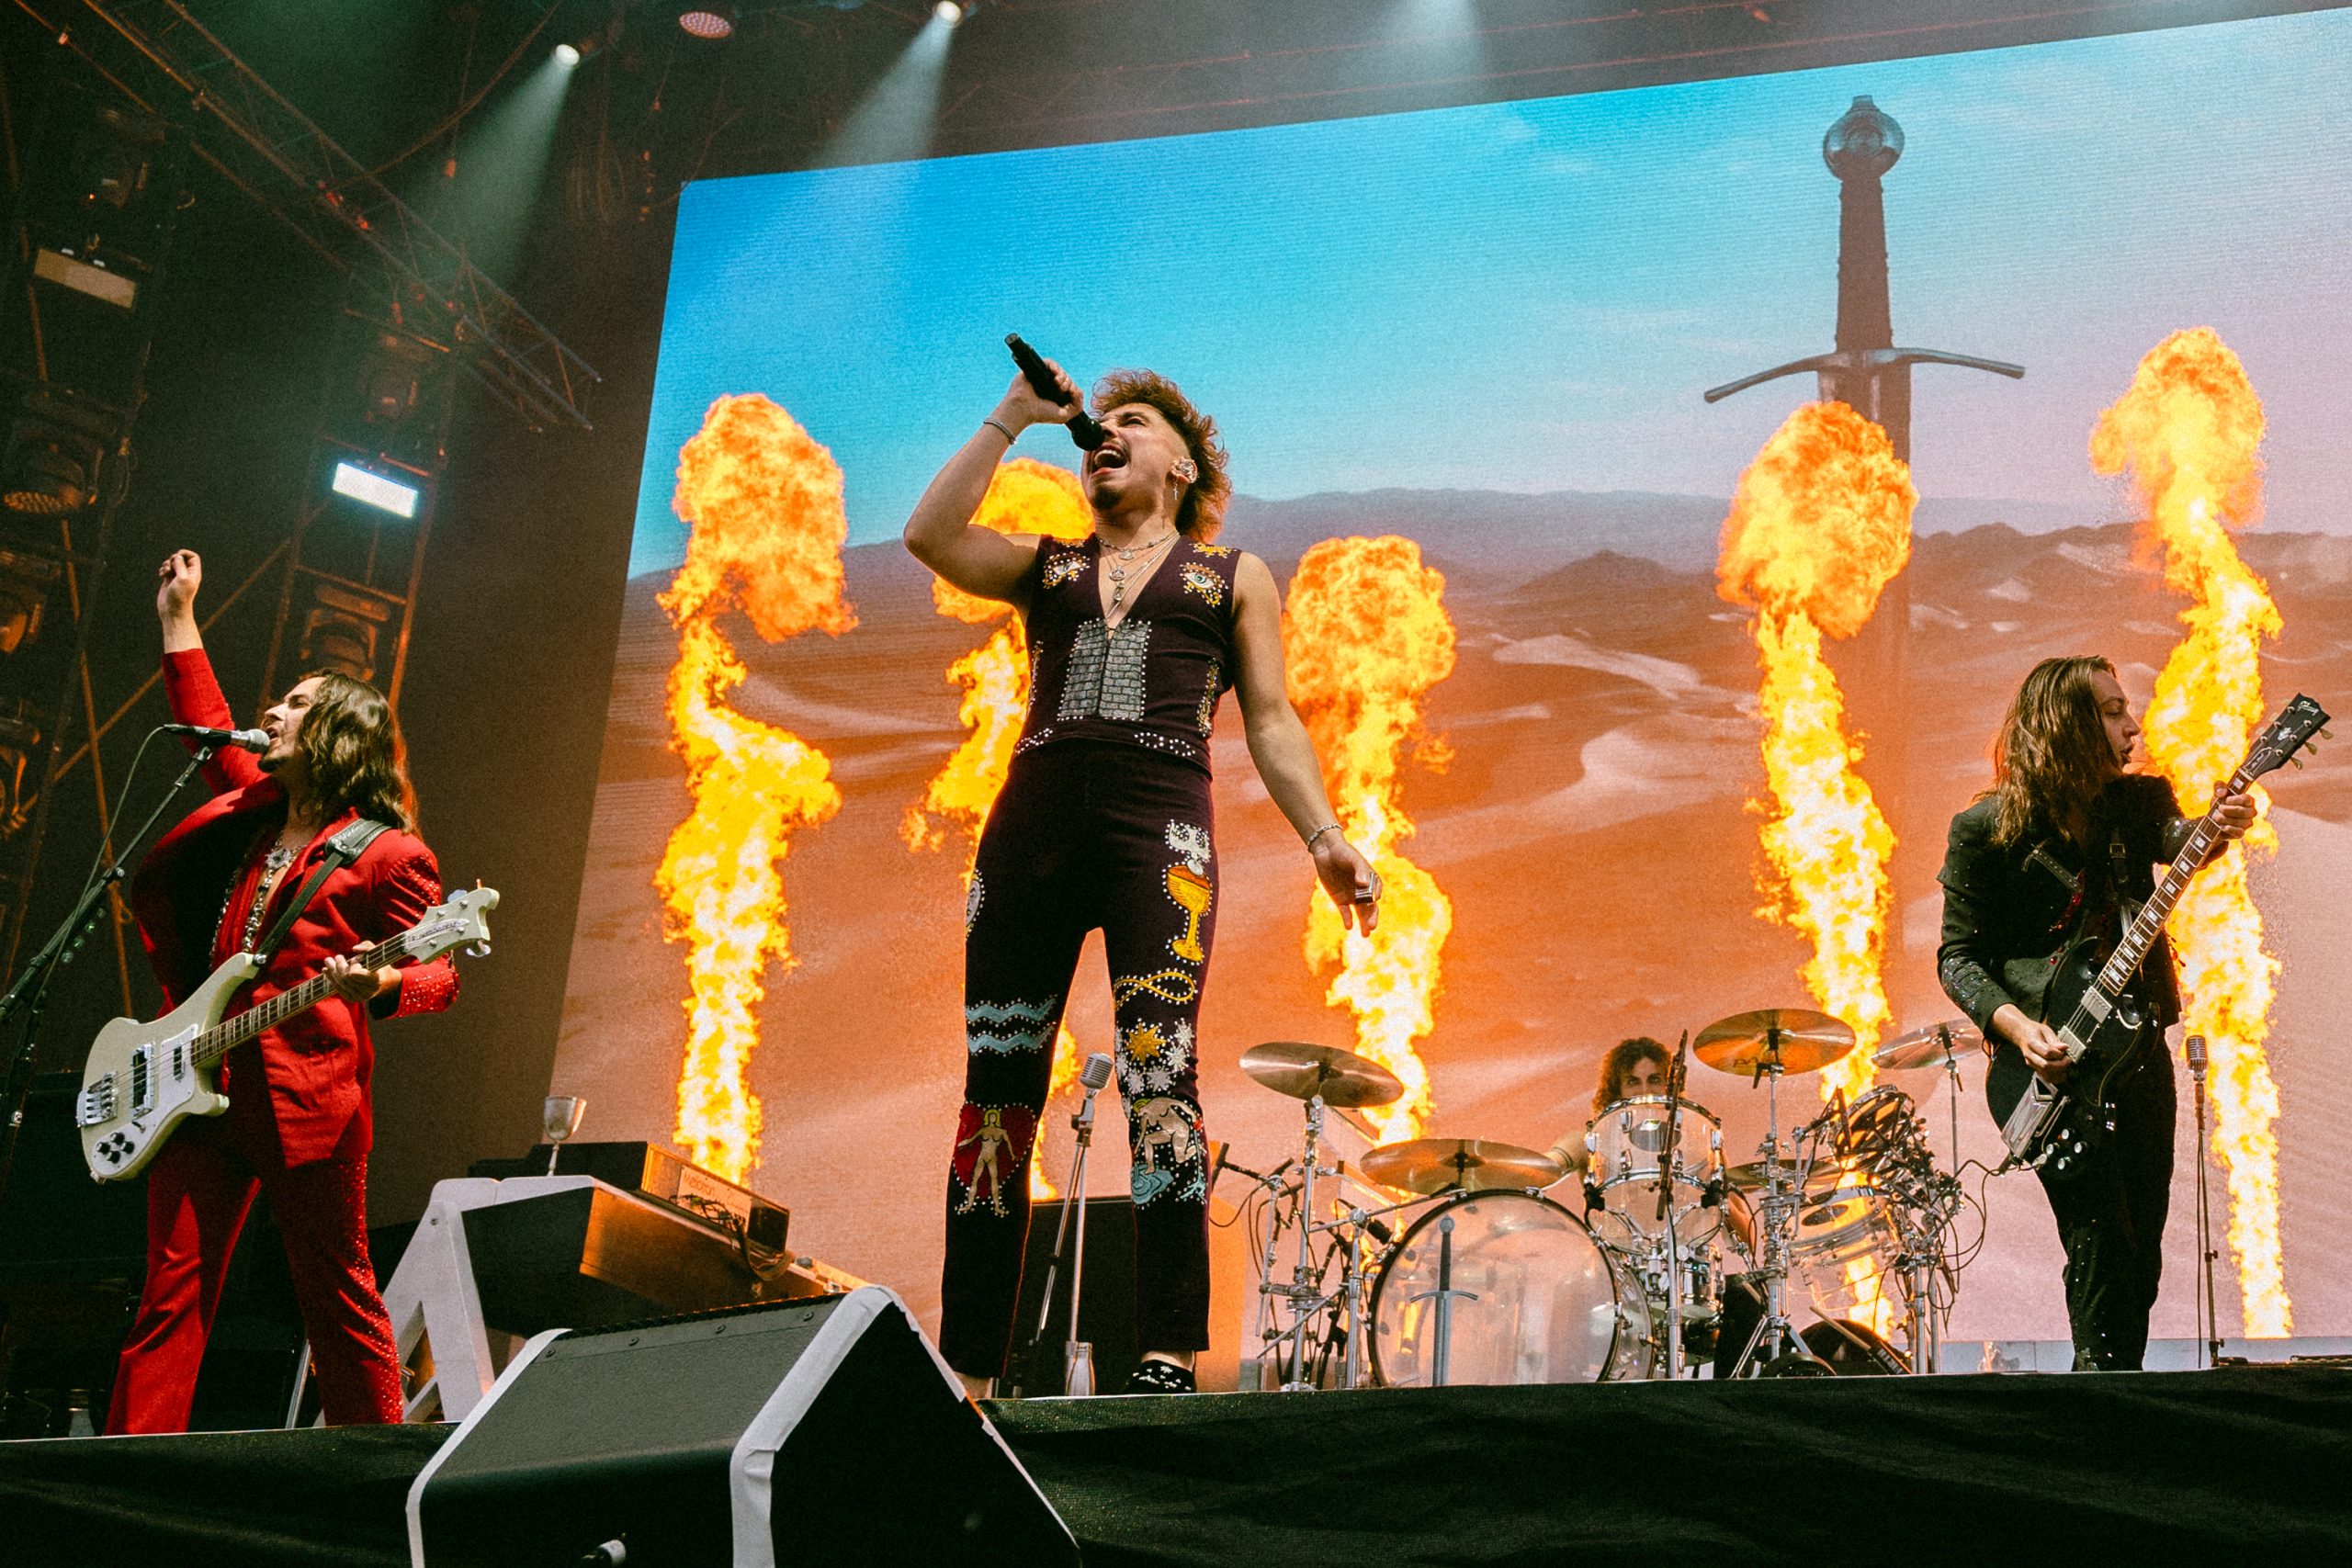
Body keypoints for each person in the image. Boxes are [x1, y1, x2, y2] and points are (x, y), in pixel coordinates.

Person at [904, 359, 1380, 1396]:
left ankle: (1165, 1353)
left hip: (1158, 833)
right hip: (1029, 830)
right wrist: (1013, 417)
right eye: (1099, 425)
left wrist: (1324, 836)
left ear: (1183, 464)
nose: (1104, 435)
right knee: (997, 1094)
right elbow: (930, 537)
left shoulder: (1230, 575)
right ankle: (970, 1369)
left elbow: (1271, 719)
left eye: (1132, 423)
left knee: (1160, 1077)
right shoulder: (1047, 569)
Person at [107, 550, 460, 1431]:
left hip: (309, 1101)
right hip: (199, 1081)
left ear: (341, 732)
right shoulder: (256, 807)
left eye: (297, 704)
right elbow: (206, 725)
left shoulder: (390, 854)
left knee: (337, 1297)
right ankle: (125, 1466)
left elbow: (442, 973)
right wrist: (178, 615)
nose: (271, 713)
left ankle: (374, 1470)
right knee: (168, 1294)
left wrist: (383, 978)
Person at [1936, 655, 2251, 1371]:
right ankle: (2105, 1395)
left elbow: (2179, 839)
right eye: (2112, 711)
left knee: (2140, 1252)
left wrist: (2221, 824)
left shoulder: (2136, 804)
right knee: (2099, 1238)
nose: (2132, 725)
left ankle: (2106, 1384)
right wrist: (2020, 1028)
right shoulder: (1985, 829)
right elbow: (1957, 958)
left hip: (2138, 1056)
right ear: (2066, 724)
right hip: (2053, 1073)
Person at [1544, 1036, 1670, 1176]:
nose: (1645, 1091)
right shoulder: (1592, 1142)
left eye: (1654, 1080)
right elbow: (1544, 1167)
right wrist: (1530, 1167)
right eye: (1633, 1082)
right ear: (1617, 1091)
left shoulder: (1687, 1142)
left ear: (1668, 1087)